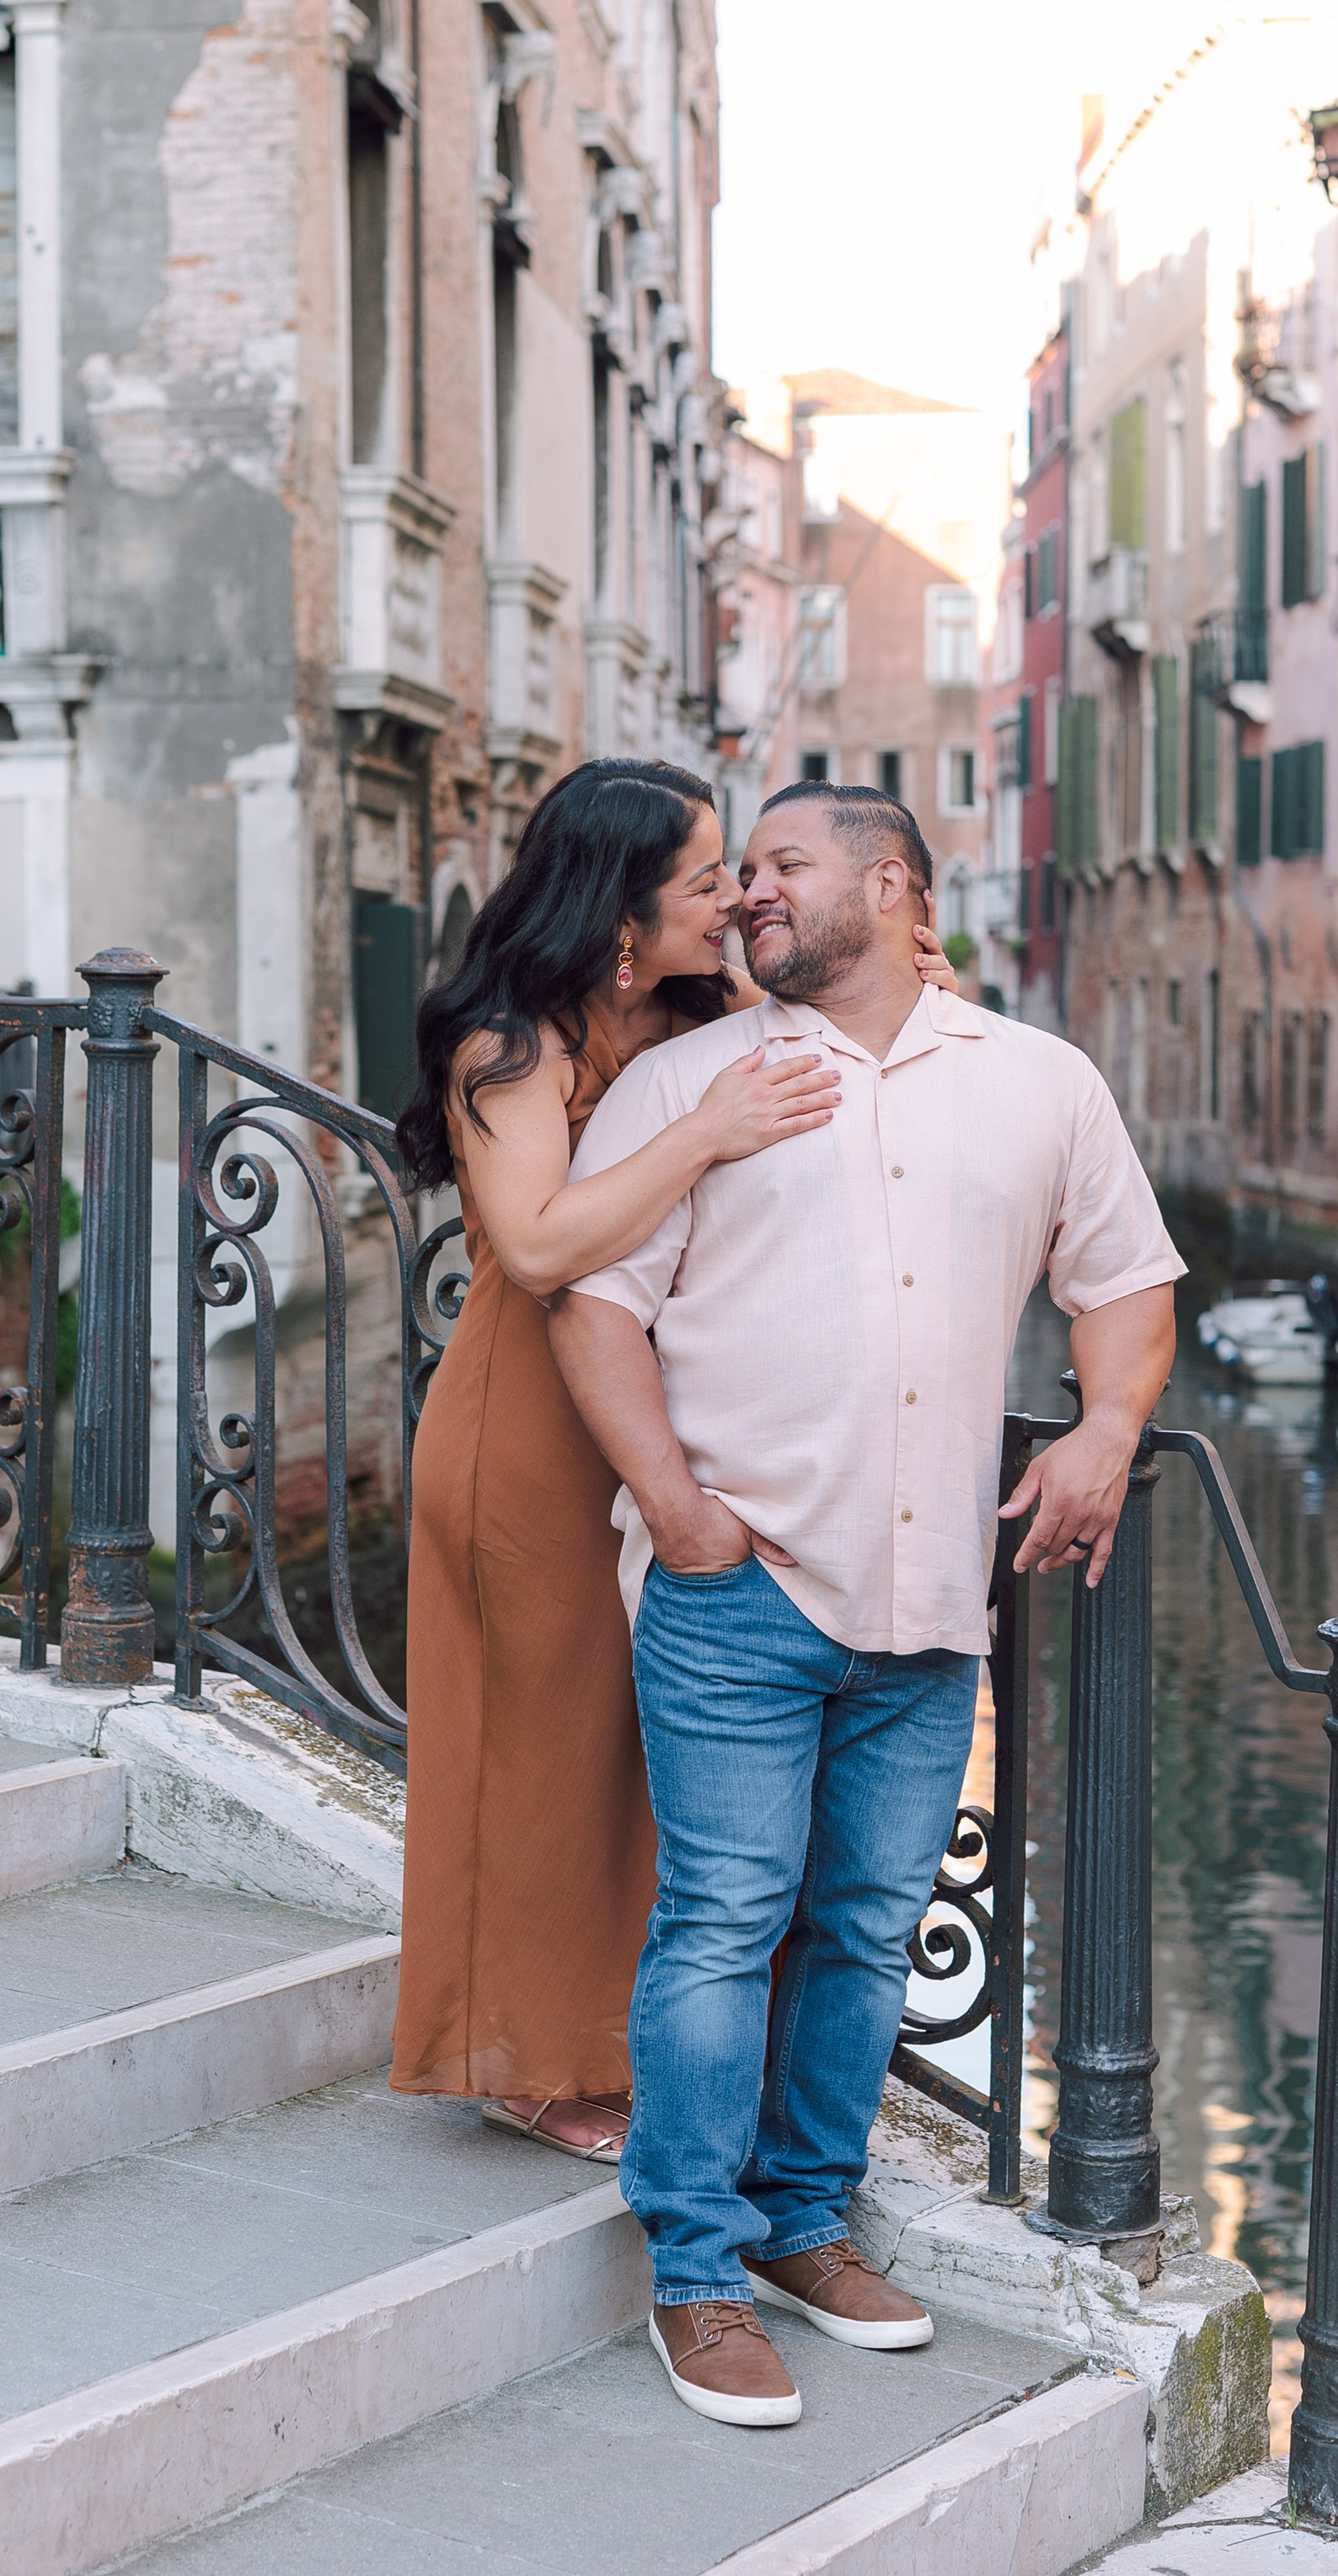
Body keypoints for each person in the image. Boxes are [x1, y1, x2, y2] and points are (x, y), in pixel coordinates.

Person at [549, 779, 1184, 2428]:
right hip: (737, 1590)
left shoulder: (1039, 1083)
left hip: (929, 1606)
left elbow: (1121, 1285)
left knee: (863, 1928)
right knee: (722, 1920)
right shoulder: (687, 1085)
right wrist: (679, 1514)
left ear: (892, 884)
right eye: (734, 871)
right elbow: (591, 1311)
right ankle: (691, 2266)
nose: (744, 893)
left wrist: (1105, 1427)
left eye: (778, 865)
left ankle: (798, 2224)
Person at [388, 757, 958, 2160]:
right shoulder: (507, 1044)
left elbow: (859, 1038)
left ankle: (635, 2042)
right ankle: (522, 2058)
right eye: (709, 878)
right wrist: (703, 1130)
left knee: (649, 1764)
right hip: (527, 1429)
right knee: (546, 1748)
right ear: (622, 904)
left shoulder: (706, 1017)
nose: (737, 898)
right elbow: (535, 1248)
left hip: (669, 1416)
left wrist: (911, 964)